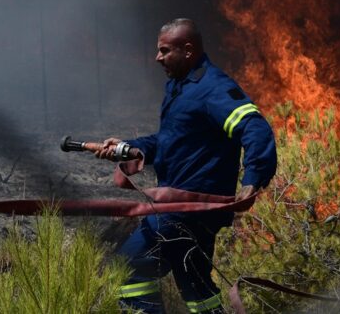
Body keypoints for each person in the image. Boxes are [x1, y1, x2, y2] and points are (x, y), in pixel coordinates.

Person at [94, 18, 277, 314]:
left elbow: (255, 128)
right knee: (197, 290)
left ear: (188, 50)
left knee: (127, 268)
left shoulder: (213, 88)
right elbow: (171, 141)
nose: (157, 58)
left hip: (187, 210)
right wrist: (127, 148)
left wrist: (253, 179)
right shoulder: (181, 88)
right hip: (183, 210)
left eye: (165, 51)